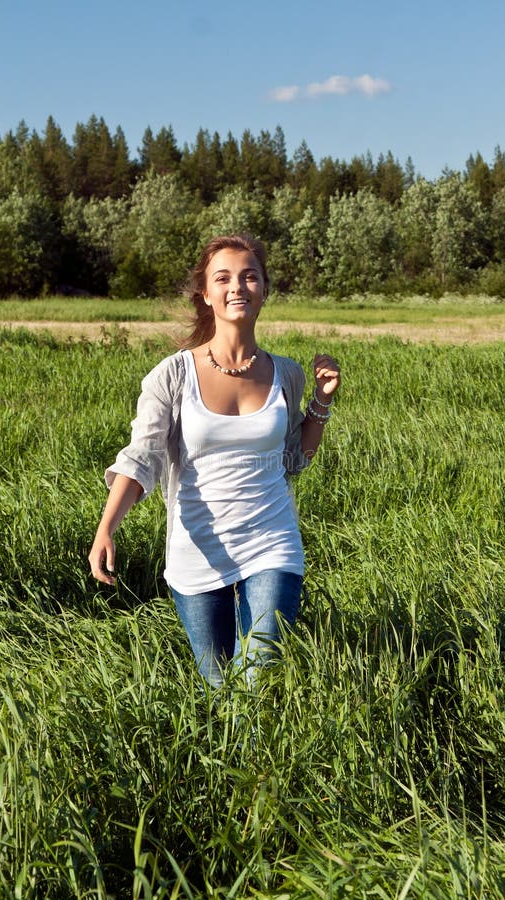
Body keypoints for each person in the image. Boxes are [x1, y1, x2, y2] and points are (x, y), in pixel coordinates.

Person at [88, 234, 340, 687]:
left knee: (258, 676)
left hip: (272, 540)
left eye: (249, 276)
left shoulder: (287, 374)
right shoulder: (173, 374)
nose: (237, 287)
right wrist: (107, 527)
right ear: (206, 294)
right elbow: (141, 459)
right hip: (197, 551)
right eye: (223, 278)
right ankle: (244, 758)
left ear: (265, 289)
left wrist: (320, 402)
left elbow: (294, 459)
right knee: (221, 688)